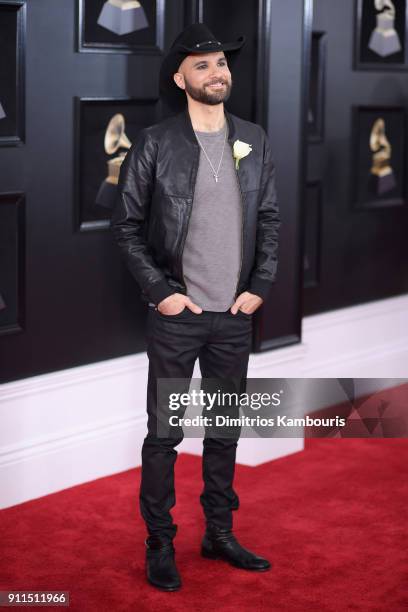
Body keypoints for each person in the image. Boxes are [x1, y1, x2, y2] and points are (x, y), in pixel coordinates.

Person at [110, 23, 281, 591]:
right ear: (180, 78)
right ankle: (159, 541)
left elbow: (270, 220)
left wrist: (261, 282)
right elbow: (128, 228)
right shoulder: (156, 142)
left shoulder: (252, 137)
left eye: (222, 64)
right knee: (164, 435)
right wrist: (163, 294)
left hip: (234, 318)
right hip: (178, 318)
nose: (217, 73)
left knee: (225, 430)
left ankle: (219, 533)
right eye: (203, 65)